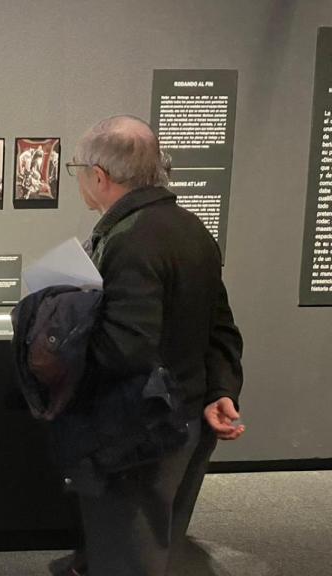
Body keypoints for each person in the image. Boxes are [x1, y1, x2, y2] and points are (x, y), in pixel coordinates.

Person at [66, 115, 244, 575]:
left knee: (128, 549)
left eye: (77, 171)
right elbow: (219, 323)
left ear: (99, 176)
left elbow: (126, 347)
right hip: (182, 417)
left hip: (138, 429)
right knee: (157, 544)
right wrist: (221, 390)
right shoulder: (190, 228)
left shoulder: (131, 240)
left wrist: (64, 349)